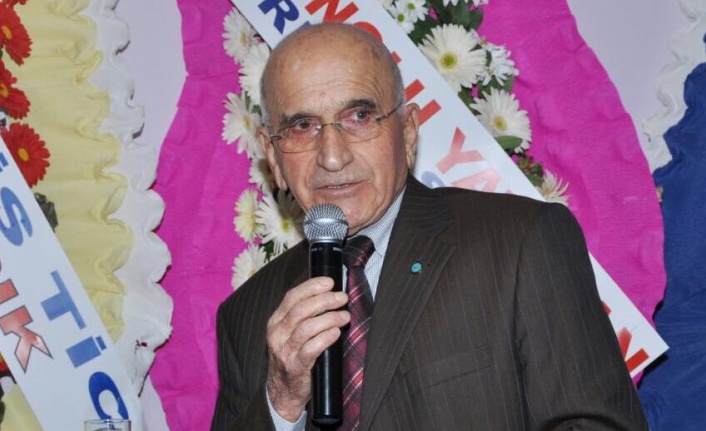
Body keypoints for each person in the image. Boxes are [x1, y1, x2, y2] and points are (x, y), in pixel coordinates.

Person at [211, 23, 648, 430]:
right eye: (303, 126)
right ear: (273, 156)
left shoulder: (520, 242)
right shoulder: (247, 315)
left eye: (359, 116)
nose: (332, 156)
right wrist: (282, 400)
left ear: (407, 131)